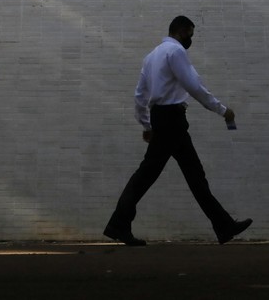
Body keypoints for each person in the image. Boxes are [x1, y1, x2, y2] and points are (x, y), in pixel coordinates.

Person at [104, 16, 252, 246]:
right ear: (181, 31)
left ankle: (119, 224)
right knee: (189, 175)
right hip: (173, 121)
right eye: (190, 34)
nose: (190, 39)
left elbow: (140, 95)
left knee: (152, 174)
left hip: (160, 120)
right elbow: (194, 86)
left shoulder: (151, 56)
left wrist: (147, 125)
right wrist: (222, 110)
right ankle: (223, 226)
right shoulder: (176, 52)